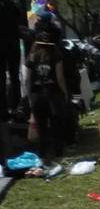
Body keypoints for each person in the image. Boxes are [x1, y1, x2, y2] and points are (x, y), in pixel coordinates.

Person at [24, 19, 68, 163]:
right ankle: (58, 153)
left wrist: (29, 96)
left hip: (37, 95)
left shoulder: (32, 54)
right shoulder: (55, 52)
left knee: (41, 126)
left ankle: (42, 155)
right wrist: (65, 93)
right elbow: (60, 77)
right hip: (53, 93)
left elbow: (27, 78)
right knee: (56, 124)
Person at [0, 0, 22, 120]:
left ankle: (2, 110)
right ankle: (16, 107)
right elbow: (19, 25)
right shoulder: (14, 6)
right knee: (15, 77)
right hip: (13, 45)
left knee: (1, 78)